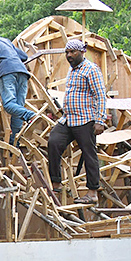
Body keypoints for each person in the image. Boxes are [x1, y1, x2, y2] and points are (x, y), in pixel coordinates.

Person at [47, 39, 108, 204]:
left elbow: (100, 95)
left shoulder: (91, 69)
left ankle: (93, 192)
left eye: (72, 52)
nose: (69, 56)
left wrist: (100, 120)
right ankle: (56, 183)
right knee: (53, 142)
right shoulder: (72, 69)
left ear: (82, 52)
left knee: (89, 154)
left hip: (85, 120)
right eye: (67, 53)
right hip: (68, 119)